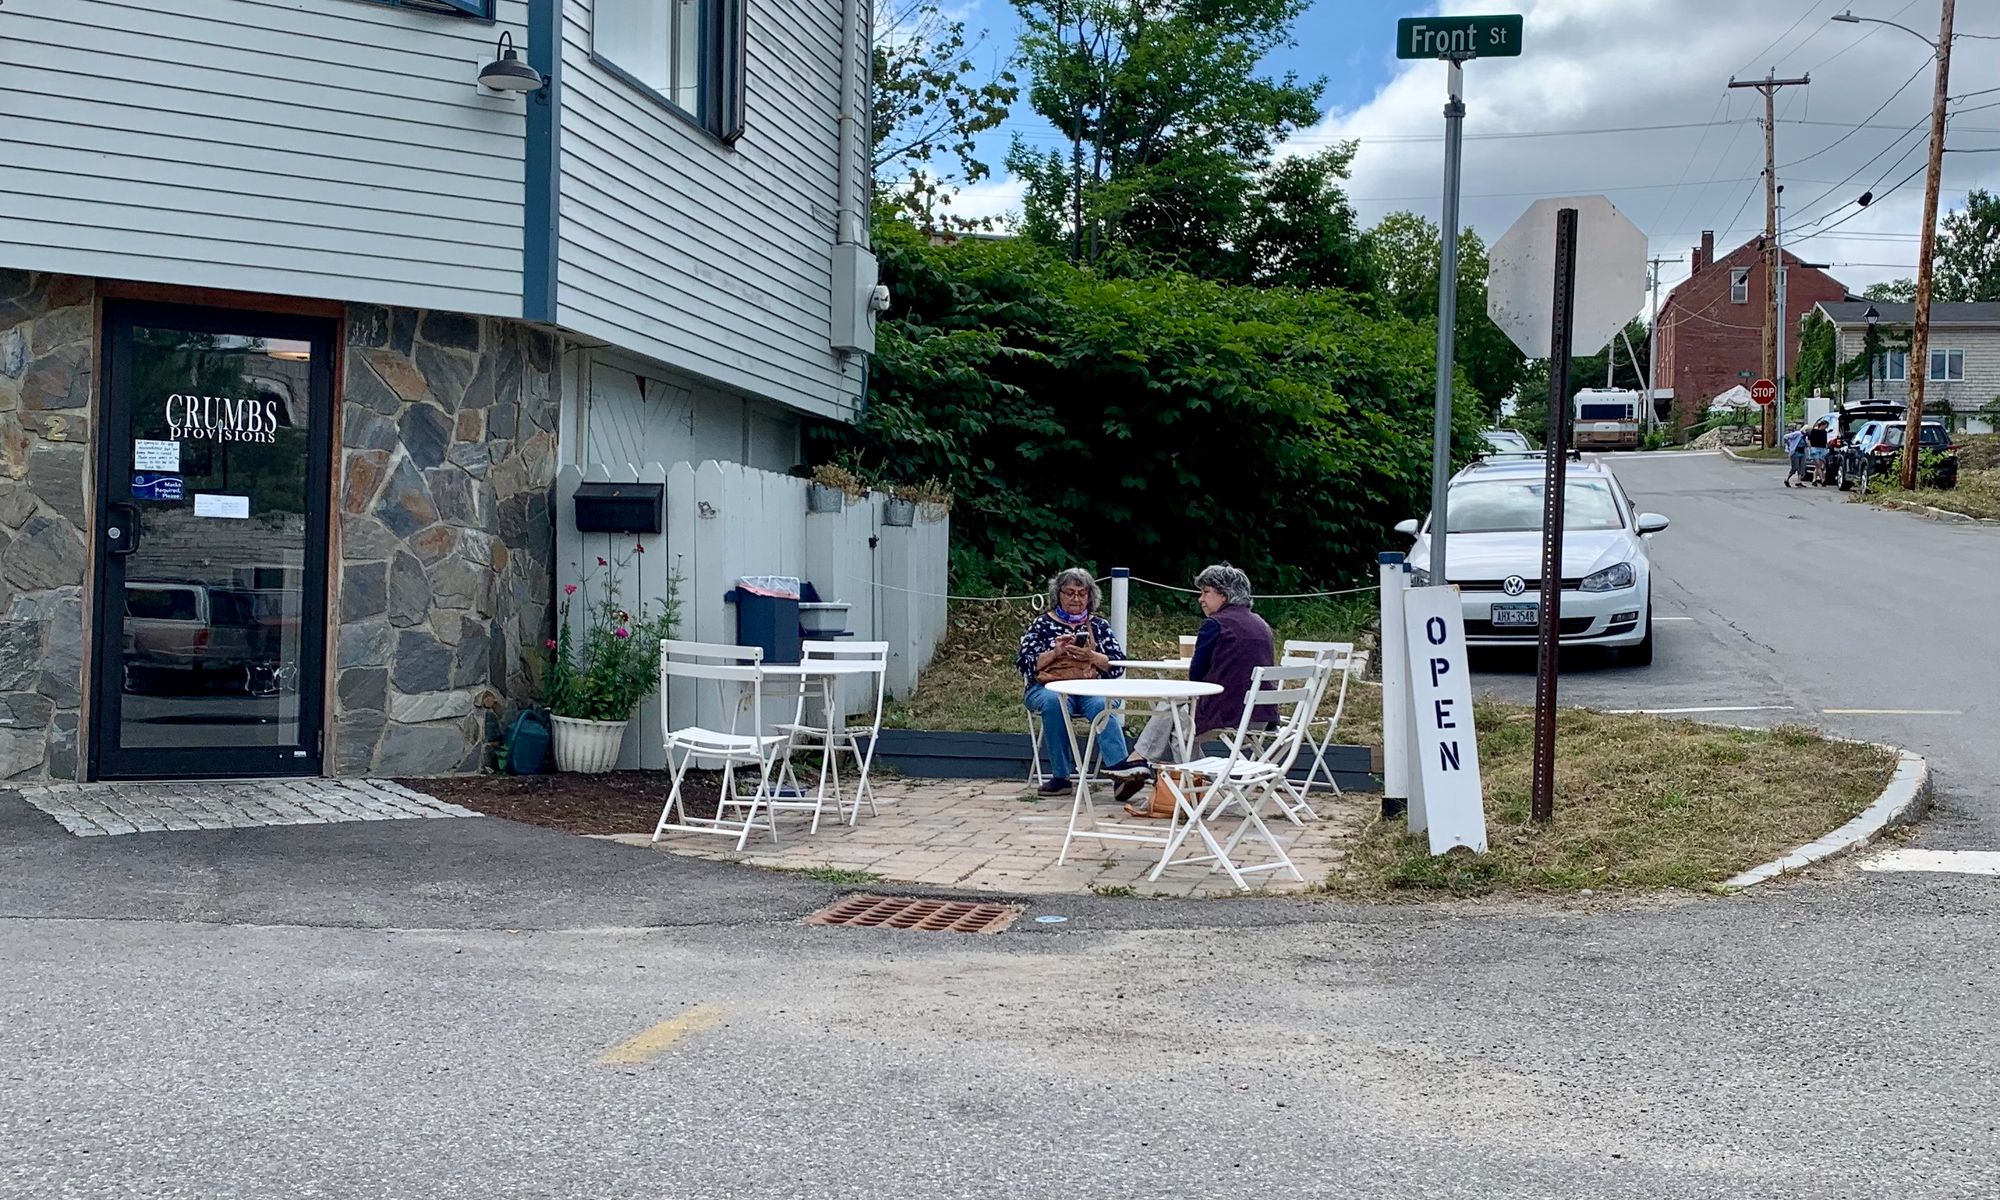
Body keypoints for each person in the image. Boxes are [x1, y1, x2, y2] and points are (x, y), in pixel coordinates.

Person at [1115, 564, 1277, 804]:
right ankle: (1143, 761)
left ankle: (1174, 778)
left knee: (1177, 719)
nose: (1200, 599)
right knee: (1175, 710)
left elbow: (1196, 676)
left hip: (1229, 715)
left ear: (1224, 594)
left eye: (1206, 592)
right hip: (1260, 716)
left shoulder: (1215, 624)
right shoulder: (1262, 625)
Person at [1017, 568, 1144, 795]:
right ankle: (1061, 777)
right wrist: (1055, 652)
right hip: (1048, 687)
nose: (1076, 598)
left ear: (1090, 597)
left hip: (1091, 688)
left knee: (1101, 704)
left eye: (1082, 593)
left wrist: (1091, 656)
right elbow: (1024, 664)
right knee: (1054, 702)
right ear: (1058, 595)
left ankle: (1121, 774)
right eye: (1069, 593)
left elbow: (1118, 665)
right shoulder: (1042, 624)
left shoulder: (1099, 626)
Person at [1782, 421, 1808, 488]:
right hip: (1795, 452)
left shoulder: (1805, 437)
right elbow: (1786, 437)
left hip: (1802, 452)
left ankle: (1798, 481)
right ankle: (1787, 479)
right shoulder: (1797, 434)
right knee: (1795, 467)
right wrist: (1789, 445)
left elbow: (1806, 444)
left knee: (1802, 467)